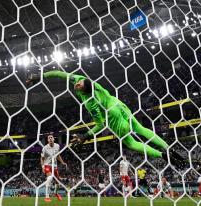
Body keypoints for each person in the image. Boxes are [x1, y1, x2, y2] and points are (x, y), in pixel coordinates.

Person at [26, 71, 186, 167]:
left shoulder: (90, 103)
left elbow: (100, 124)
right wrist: (41, 76)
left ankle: (162, 155)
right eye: (79, 82)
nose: (77, 84)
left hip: (112, 115)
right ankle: (167, 147)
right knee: (140, 128)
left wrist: (85, 136)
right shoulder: (83, 80)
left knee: (130, 143)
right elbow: (60, 74)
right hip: (118, 103)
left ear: (85, 90)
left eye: (80, 85)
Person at [41, 134, 67, 202]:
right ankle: (47, 196)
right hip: (47, 165)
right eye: (49, 138)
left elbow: (58, 155)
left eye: (51, 137)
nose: (50, 138)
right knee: (50, 178)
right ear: (47, 140)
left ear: (54, 139)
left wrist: (62, 162)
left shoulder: (57, 146)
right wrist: (43, 166)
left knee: (57, 182)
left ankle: (56, 193)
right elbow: (42, 158)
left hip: (55, 166)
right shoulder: (45, 148)